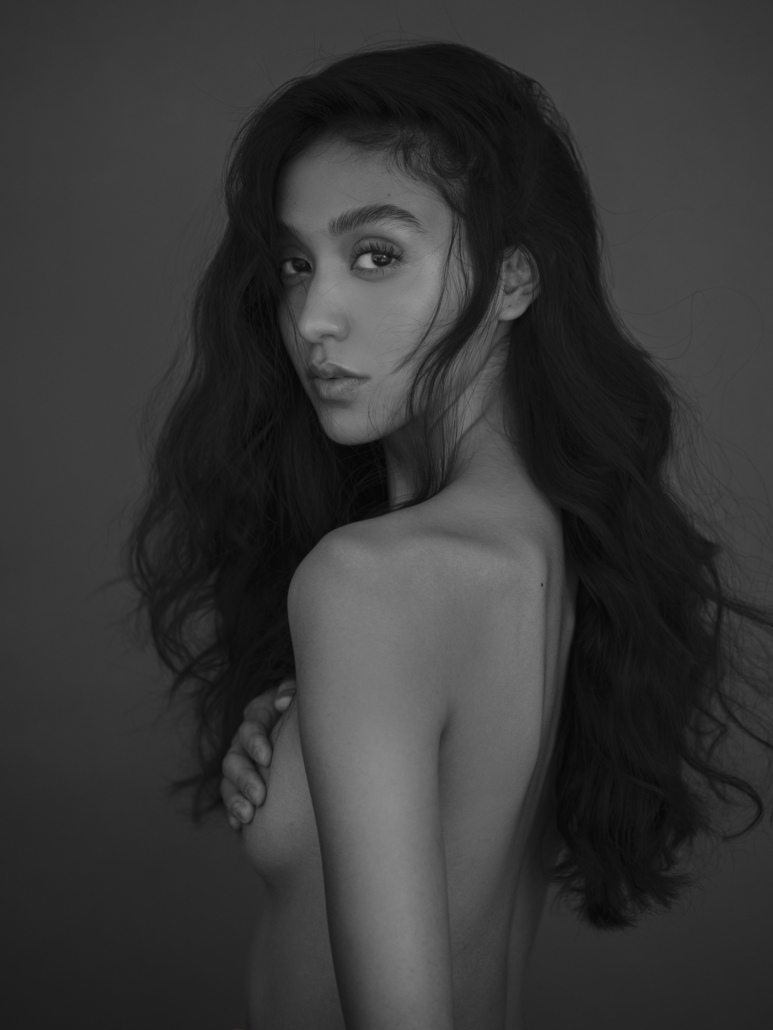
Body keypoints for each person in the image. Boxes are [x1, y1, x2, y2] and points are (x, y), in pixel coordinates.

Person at [124, 40, 773, 1030]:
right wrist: (303, 731)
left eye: (375, 255)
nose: (313, 317)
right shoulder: (540, 550)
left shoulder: (370, 582)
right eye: (295, 264)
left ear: (511, 281)